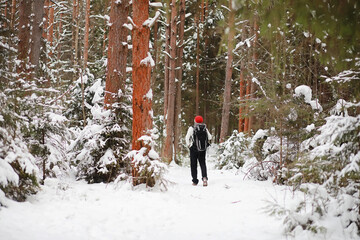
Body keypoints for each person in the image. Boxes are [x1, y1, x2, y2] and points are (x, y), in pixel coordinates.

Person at [185, 115, 212, 186]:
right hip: (203, 149)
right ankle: (204, 178)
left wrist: (189, 145)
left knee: (193, 164)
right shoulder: (204, 128)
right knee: (202, 163)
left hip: (193, 149)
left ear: (195, 121)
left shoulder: (192, 128)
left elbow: (187, 138)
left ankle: (195, 181)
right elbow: (210, 137)